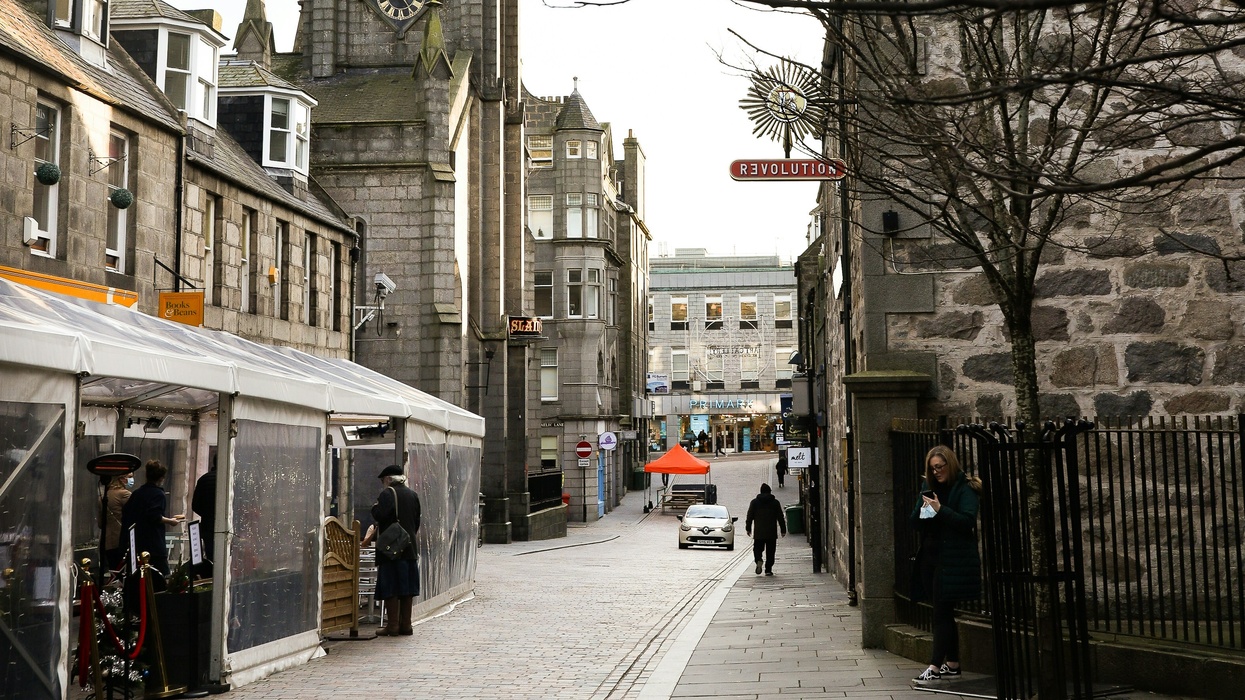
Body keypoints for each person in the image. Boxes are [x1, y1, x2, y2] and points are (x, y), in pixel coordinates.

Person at [909, 445, 982, 684]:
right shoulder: (929, 488)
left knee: (941, 613)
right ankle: (953, 663)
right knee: (943, 611)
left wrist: (941, 509)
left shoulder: (965, 489)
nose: (937, 472)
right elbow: (915, 523)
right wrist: (924, 510)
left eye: (940, 467)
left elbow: (966, 522)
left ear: (950, 464)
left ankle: (934, 666)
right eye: (933, 468)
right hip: (930, 559)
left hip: (952, 560)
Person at [361, 464, 422, 636]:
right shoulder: (413, 495)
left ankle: (393, 626)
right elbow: (416, 523)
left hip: (390, 551)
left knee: (391, 587)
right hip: (408, 548)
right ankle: (406, 625)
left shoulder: (387, 494)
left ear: (388, 479)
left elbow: (379, 515)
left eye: (383, 480)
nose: (382, 483)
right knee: (407, 588)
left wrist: (375, 506)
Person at [120, 459, 184, 575]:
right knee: (162, 576)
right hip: (154, 544)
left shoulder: (137, 493)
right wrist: (170, 521)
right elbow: (154, 516)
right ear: (161, 478)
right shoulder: (158, 494)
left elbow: (126, 513)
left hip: (137, 543)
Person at [745, 483, 786, 576]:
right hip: (771, 532)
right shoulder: (775, 502)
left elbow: (749, 516)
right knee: (771, 551)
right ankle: (768, 569)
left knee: (757, 549)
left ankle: (758, 559)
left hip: (759, 532)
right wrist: (783, 529)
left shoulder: (754, 502)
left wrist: (748, 528)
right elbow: (780, 517)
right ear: (769, 492)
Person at [102, 474, 133, 571]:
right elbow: (134, 516)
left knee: (113, 572)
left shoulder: (103, 495)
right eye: (129, 477)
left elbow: (100, 523)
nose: (130, 480)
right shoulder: (124, 494)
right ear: (121, 479)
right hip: (122, 540)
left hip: (107, 541)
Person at [192, 465, 217, 575]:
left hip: (208, 527)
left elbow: (195, 505)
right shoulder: (229, 479)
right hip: (226, 526)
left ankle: (211, 580)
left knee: (211, 555)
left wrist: (207, 515)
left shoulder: (203, 479)